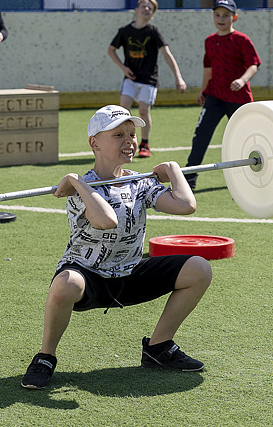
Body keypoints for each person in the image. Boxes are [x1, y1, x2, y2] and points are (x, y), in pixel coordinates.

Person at [21, 105, 213, 390]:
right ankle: (45, 357)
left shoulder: (139, 182)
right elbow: (106, 220)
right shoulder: (77, 191)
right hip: (90, 278)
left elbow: (186, 205)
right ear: (94, 143)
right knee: (65, 283)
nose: (130, 141)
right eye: (119, 134)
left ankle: (158, 348)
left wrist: (173, 171)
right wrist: (76, 181)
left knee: (199, 268)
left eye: (133, 134)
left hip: (130, 275)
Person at [184, 0, 260, 189]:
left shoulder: (241, 40)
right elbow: (208, 68)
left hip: (238, 98)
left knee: (247, 137)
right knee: (201, 134)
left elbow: (253, 64)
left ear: (234, 17)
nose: (221, 19)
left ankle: (256, 172)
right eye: (217, 15)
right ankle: (190, 176)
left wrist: (242, 80)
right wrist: (203, 91)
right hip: (215, 96)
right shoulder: (210, 41)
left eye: (226, 15)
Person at [107, 0, 187, 158]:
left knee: (143, 110)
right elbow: (111, 50)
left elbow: (167, 54)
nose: (146, 9)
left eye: (150, 8)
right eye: (143, 6)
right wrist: (123, 68)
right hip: (130, 78)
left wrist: (178, 77)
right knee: (123, 111)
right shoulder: (125, 31)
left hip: (149, 79)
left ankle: (144, 144)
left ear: (152, 15)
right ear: (136, 10)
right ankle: (122, 143)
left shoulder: (153, 32)